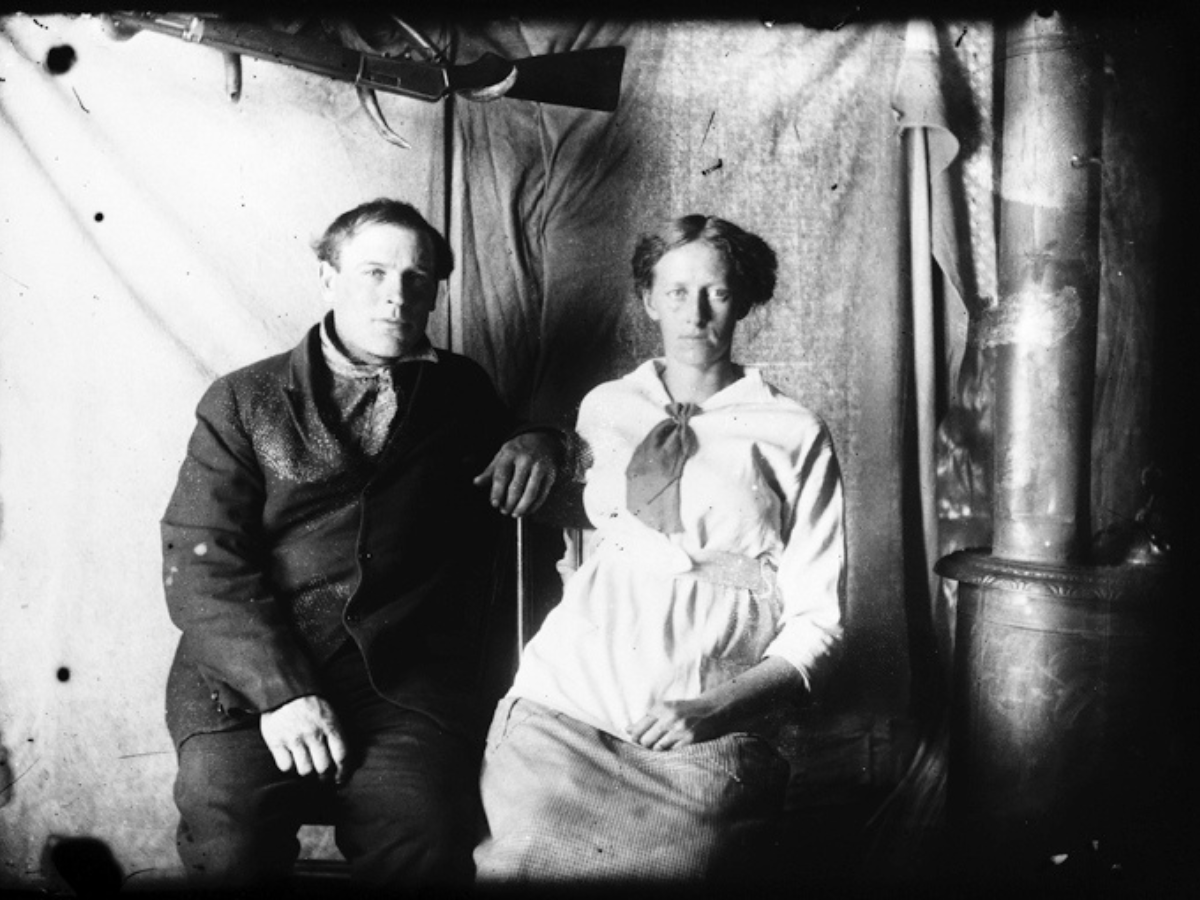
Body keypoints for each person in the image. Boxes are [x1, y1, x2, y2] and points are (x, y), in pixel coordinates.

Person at [161, 198, 563, 889]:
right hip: (248, 680)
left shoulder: (461, 391)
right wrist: (282, 694)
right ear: (327, 278)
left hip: (404, 686)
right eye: (374, 272)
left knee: (427, 834)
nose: (396, 296)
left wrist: (541, 440)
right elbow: (203, 561)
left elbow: (511, 439)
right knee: (229, 833)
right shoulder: (241, 401)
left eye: (417, 278)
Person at [474, 214, 846, 883]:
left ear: (747, 301)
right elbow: (574, 501)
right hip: (569, 701)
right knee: (527, 856)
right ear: (648, 299)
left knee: (682, 868)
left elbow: (819, 623)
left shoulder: (794, 431)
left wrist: (714, 709)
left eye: (717, 293)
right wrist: (543, 439)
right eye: (675, 292)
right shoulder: (608, 406)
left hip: (704, 717)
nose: (695, 313)